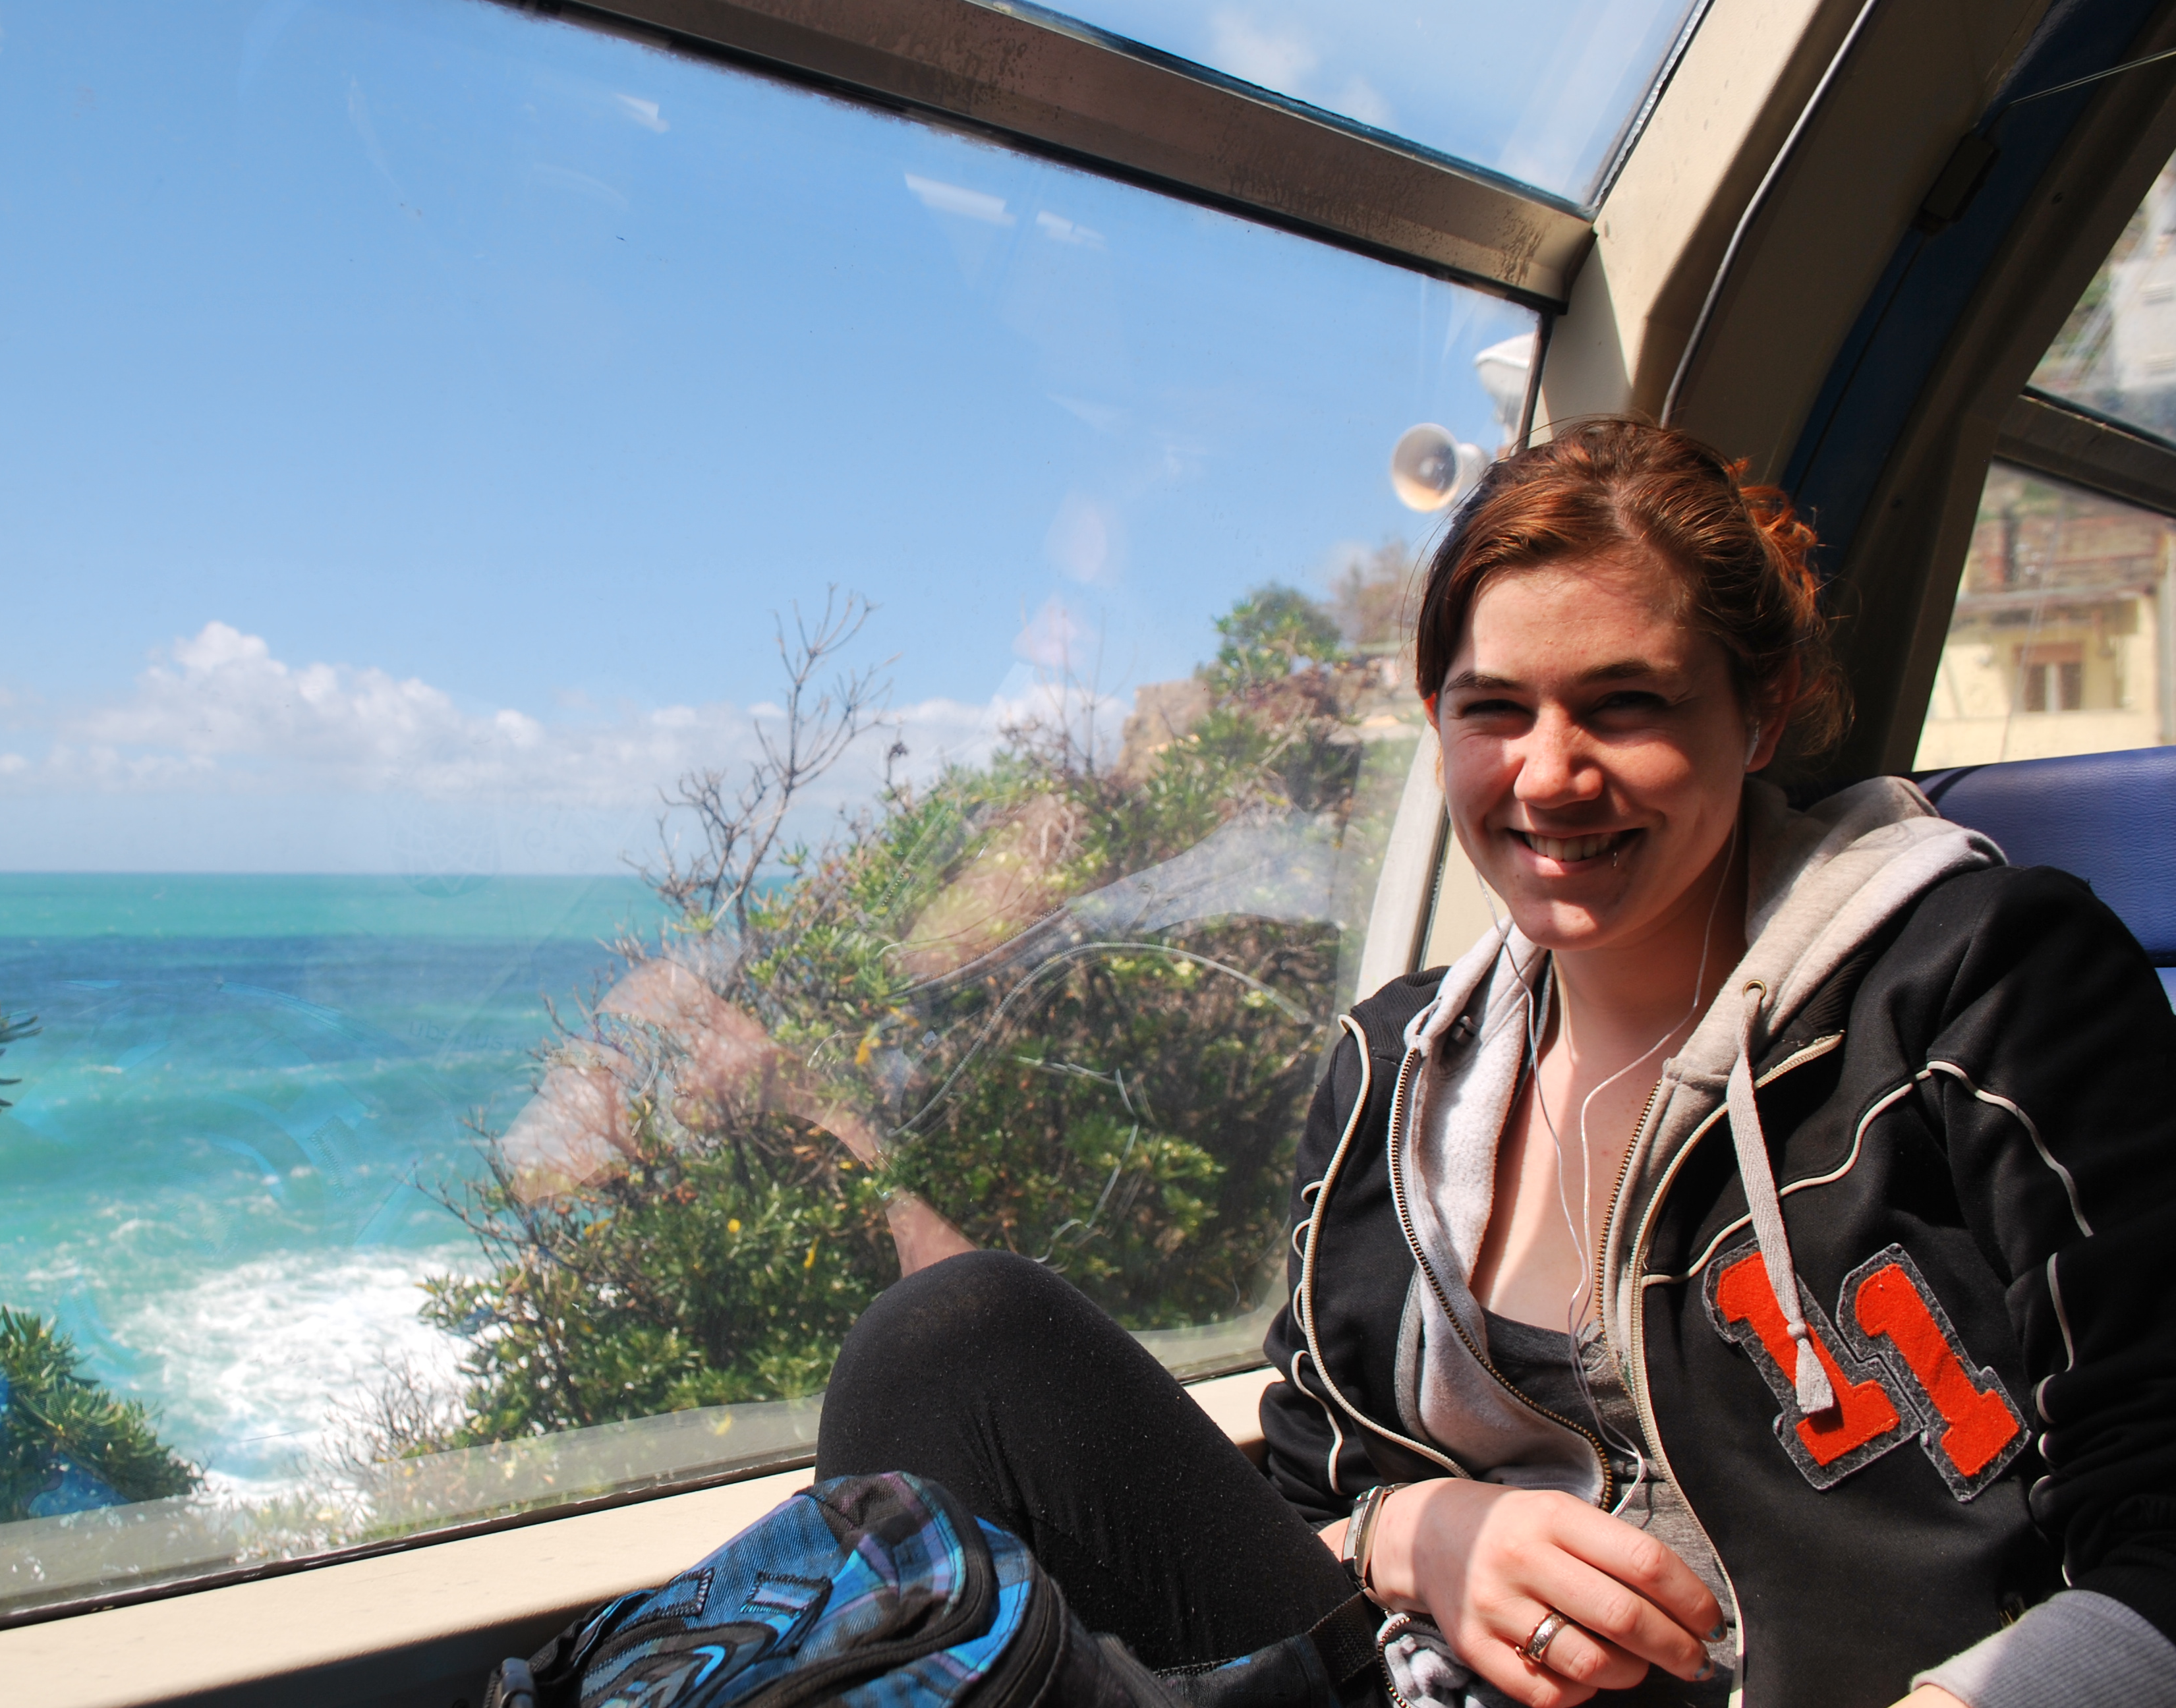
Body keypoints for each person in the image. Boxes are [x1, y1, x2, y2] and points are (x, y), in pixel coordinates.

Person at [816, 418, 2176, 1707]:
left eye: (1624, 703)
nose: (1549, 776)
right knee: (955, 1346)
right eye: (1494, 711)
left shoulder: (1982, 989)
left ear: (1759, 716)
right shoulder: (1392, 1080)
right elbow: (1307, 1500)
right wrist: (1419, 1535)